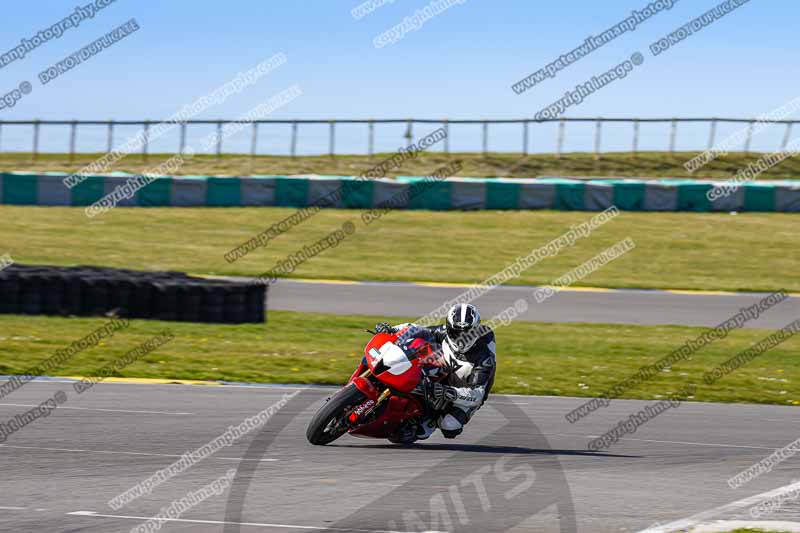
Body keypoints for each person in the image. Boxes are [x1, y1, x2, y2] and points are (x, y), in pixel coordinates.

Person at [374, 303, 496, 442]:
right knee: (418, 345)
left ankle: (430, 421)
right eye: (457, 332)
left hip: (466, 389)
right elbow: (417, 329)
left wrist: (445, 392)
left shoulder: (484, 359)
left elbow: (476, 396)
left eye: (467, 333)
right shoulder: (445, 332)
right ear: (449, 328)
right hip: (447, 364)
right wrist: (391, 330)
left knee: (450, 426)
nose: (461, 338)